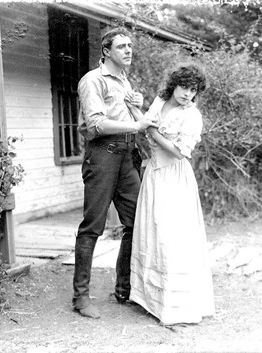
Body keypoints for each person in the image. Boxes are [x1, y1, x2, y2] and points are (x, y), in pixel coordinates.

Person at [73, 27, 159, 319]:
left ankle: (124, 288)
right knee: (92, 226)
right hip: (102, 155)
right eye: (121, 46)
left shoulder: (124, 80)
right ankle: (81, 297)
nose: (128, 50)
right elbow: (96, 124)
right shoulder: (92, 81)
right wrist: (135, 126)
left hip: (127, 157)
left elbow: (137, 120)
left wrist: (138, 111)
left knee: (137, 222)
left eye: (130, 46)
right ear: (106, 51)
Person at [125, 62, 215, 326]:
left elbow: (179, 151)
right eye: (184, 88)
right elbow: (143, 121)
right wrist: (133, 107)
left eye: (193, 90)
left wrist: (150, 130)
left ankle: (175, 305)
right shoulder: (160, 101)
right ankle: (150, 300)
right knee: (151, 232)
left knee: (170, 236)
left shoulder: (192, 116)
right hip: (153, 174)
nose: (188, 94)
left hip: (174, 177)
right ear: (174, 84)